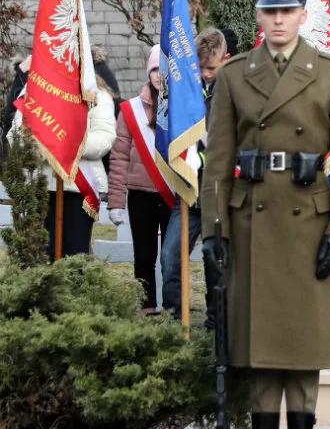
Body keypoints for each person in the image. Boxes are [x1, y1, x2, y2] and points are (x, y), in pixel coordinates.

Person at [200, 0, 330, 429]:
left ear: (302, 14)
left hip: (309, 226)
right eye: (270, 11)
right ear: (258, 15)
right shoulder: (235, 75)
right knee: (259, 349)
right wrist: (215, 230)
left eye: (287, 11)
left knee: (303, 346)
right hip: (253, 223)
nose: (278, 21)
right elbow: (218, 162)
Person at [6, 63, 117, 259]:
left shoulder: (96, 92)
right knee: (41, 256)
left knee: (74, 257)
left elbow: (104, 137)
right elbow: (15, 134)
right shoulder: (35, 88)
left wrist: (66, 144)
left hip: (80, 187)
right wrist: (42, 146)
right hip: (40, 185)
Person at [161, 27, 231, 325]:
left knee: (216, 263)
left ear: (225, 60)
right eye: (200, 67)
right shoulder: (187, 88)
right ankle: (175, 317)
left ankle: (216, 322)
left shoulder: (234, 90)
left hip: (218, 193)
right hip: (188, 191)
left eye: (211, 67)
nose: (205, 73)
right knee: (170, 258)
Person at [106, 45, 173, 313]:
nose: (159, 75)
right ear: (149, 72)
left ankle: (173, 307)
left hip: (172, 193)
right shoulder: (130, 109)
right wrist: (115, 201)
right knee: (144, 256)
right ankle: (147, 307)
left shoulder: (183, 106)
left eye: (163, 69)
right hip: (140, 194)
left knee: (171, 257)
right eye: (154, 69)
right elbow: (119, 156)